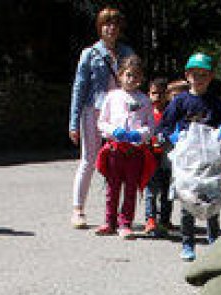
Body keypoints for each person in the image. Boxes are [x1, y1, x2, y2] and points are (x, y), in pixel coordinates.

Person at [158, 53, 221, 262]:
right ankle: (188, 242)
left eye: (204, 75)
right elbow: (164, 126)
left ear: (210, 77)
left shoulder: (215, 103)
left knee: (212, 200)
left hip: (209, 161)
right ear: (187, 75)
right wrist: (170, 136)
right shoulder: (180, 101)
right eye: (195, 74)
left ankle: (213, 238)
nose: (199, 79)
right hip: (187, 162)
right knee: (187, 202)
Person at [68, 8, 134, 229]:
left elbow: (135, 82)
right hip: (94, 110)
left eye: (115, 24)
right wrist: (73, 122)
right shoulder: (90, 54)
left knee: (117, 161)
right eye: (106, 24)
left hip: (119, 112)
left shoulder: (127, 53)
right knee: (88, 160)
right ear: (100, 27)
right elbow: (79, 88)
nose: (111, 28)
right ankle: (78, 210)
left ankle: (113, 213)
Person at [95, 55, 154, 238]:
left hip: (134, 151)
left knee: (130, 189)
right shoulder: (112, 97)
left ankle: (125, 223)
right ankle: (109, 221)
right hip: (114, 150)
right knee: (112, 188)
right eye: (128, 75)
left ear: (141, 78)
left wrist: (141, 134)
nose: (131, 79)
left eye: (136, 76)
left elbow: (151, 126)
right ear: (120, 76)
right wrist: (114, 131)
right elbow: (101, 123)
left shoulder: (145, 100)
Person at [143, 77, 176, 238]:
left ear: (167, 95)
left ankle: (165, 219)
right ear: (148, 94)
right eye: (153, 93)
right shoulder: (146, 112)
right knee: (150, 190)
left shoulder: (171, 113)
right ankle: (150, 219)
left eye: (161, 94)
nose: (157, 97)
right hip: (150, 157)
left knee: (167, 190)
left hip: (167, 158)